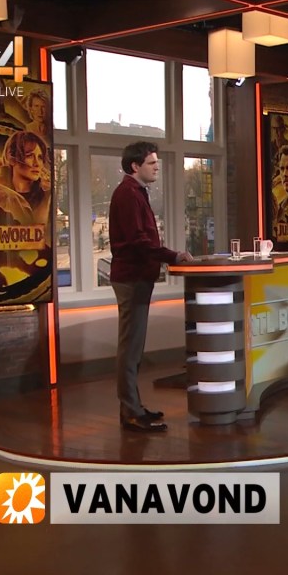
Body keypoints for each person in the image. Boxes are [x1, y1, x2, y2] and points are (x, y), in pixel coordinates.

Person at [109, 141, 194, 432]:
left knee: (133, 348)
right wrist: (172, 256)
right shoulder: (128, 194)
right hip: (131, 278)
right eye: (151, 163)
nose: (157, 167)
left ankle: (132, 409)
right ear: (135, 166)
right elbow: (138, 242)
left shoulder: (135, 192)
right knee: (130, 349)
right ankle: (131, 412)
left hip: (137, 278)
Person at [0, 131, 51, 225]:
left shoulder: (47, 198)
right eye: (29, 156)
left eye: (40, 157)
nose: (37, 163)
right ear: (12, 159)